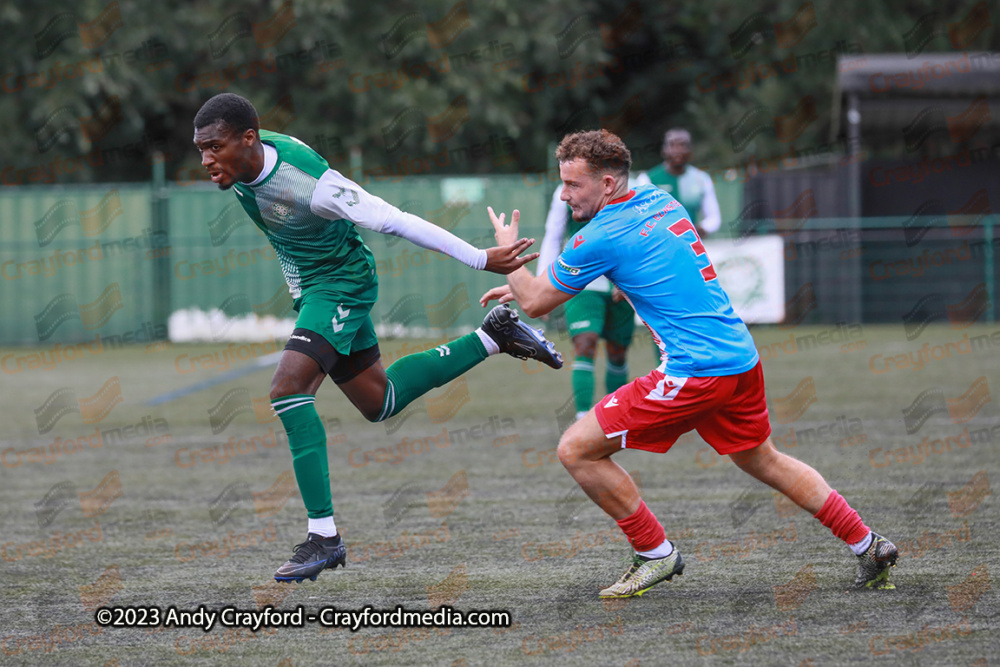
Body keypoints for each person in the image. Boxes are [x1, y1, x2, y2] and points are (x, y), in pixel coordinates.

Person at [480, 129, 897, 598]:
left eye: (574, 184)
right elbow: (650, 261)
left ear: (609, 184)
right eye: (564, 182)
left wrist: (509, 257)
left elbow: (535, 302)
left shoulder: (600, 234)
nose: (564, 193)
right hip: (740, 356)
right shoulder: (658, 199)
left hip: (696, 371)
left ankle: (655, 554)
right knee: (763, 458)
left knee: (576, 449)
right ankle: (868, 544)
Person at [192, 93, 563, 584]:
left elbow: (393, 218)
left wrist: (480, 258)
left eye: (214, 148)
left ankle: (323, 537)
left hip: (341, 283)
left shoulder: (313, 183)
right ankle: (492, 337)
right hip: (316, 289)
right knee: (379, 401)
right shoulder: (244, 163)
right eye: (200, 150)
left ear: (249, 139)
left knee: (287, 388)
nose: (205, 160)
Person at [537, 184, 635, 421]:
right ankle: (583, 418)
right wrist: (542, 286)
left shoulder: (635, 184)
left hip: (622, 282)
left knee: (617, 352)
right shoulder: (563, 191)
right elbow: (553, 235)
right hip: (584, 282)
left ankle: (616, 417)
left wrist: (631, 278)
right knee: (585, 343)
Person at [635, 128, 720, 238]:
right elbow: (638, 216)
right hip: (658, 244)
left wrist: (702, 228)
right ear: (663, 150)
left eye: (682, 145)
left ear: (690, 150)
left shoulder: (702, 179)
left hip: (690, 244)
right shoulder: (647, 179)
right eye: (672, 145)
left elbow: (714, 217)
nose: (677, 150)